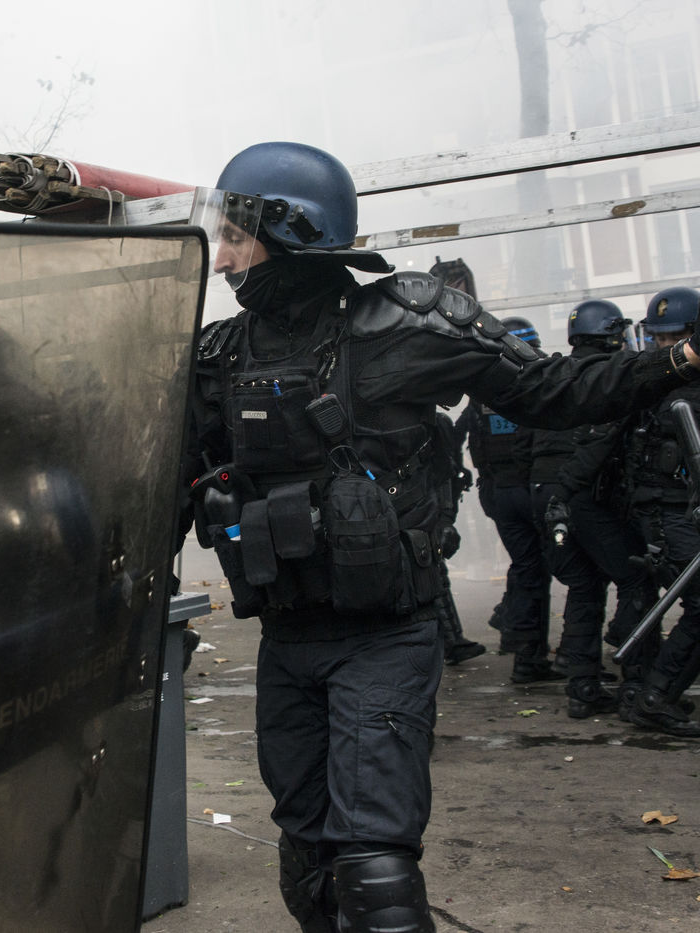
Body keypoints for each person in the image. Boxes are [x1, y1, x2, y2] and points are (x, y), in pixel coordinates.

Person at [182, 141, 700, 933]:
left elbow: (552, 390)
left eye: (234, 238)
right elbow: (163, 480)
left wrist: (682, 357)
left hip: (384, 638)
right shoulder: (222, 354)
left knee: (372, 867)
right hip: (286, 640)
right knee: (309, 861)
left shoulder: (407, 323)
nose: (220, 261)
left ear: (292, 231)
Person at [530, 300, 653, 717]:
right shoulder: (609, 377)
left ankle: (582, 686)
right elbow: (601, 443)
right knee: (636, 578)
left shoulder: (553, 374)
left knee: (584, 585)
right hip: (581, 493)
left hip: (543, 492)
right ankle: (637, 679)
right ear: (612, 336)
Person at [619, 285, 700, 736]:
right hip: (668, 514)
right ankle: (656, 696)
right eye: (661, 338)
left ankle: (660, 691)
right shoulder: (664, 387)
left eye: (676, 338)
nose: (667, 347)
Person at [457, 319, 558, 680]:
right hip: (530, 490)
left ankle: (518, 636)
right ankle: (530, 654)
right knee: (542, 571)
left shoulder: (484, 391)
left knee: (526, 567)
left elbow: (462, 436)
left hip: (499, 493)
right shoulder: (537, 384)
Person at [427, 411, 485, 665]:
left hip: (423, 509)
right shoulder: (435, 423)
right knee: (435, 576)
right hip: (426, 511)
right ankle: (452, 642)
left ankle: (451, 641)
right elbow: (443, 471)